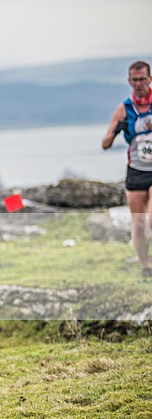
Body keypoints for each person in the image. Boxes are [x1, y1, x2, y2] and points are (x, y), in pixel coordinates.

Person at [102, 60, 152, 280]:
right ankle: (145, 267)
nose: (139, 84)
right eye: (134, 80)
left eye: (142, 79)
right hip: (136, 170)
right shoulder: (124, 108)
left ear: (150, 79)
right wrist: (116, 132)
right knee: (139, 224)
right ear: (129, 81)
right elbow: (104, 144)